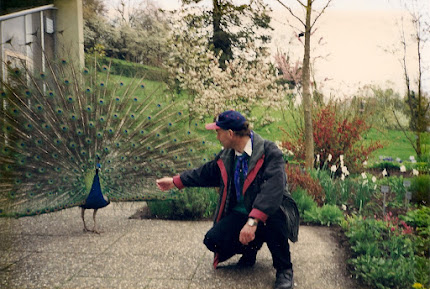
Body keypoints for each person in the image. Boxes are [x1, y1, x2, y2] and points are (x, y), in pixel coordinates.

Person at [156, 110, 299, 289]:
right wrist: (176, 181)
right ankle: (251, 250)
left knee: (274, 218)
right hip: (242, 213)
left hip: (271, 210)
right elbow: (206, 172)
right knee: (213, 240)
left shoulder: (270, 152)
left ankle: (284, 269)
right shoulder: (228, 155)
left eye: (218, 131)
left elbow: (273, 189)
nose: (217, 136)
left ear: (230, 133)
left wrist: (253, 221)